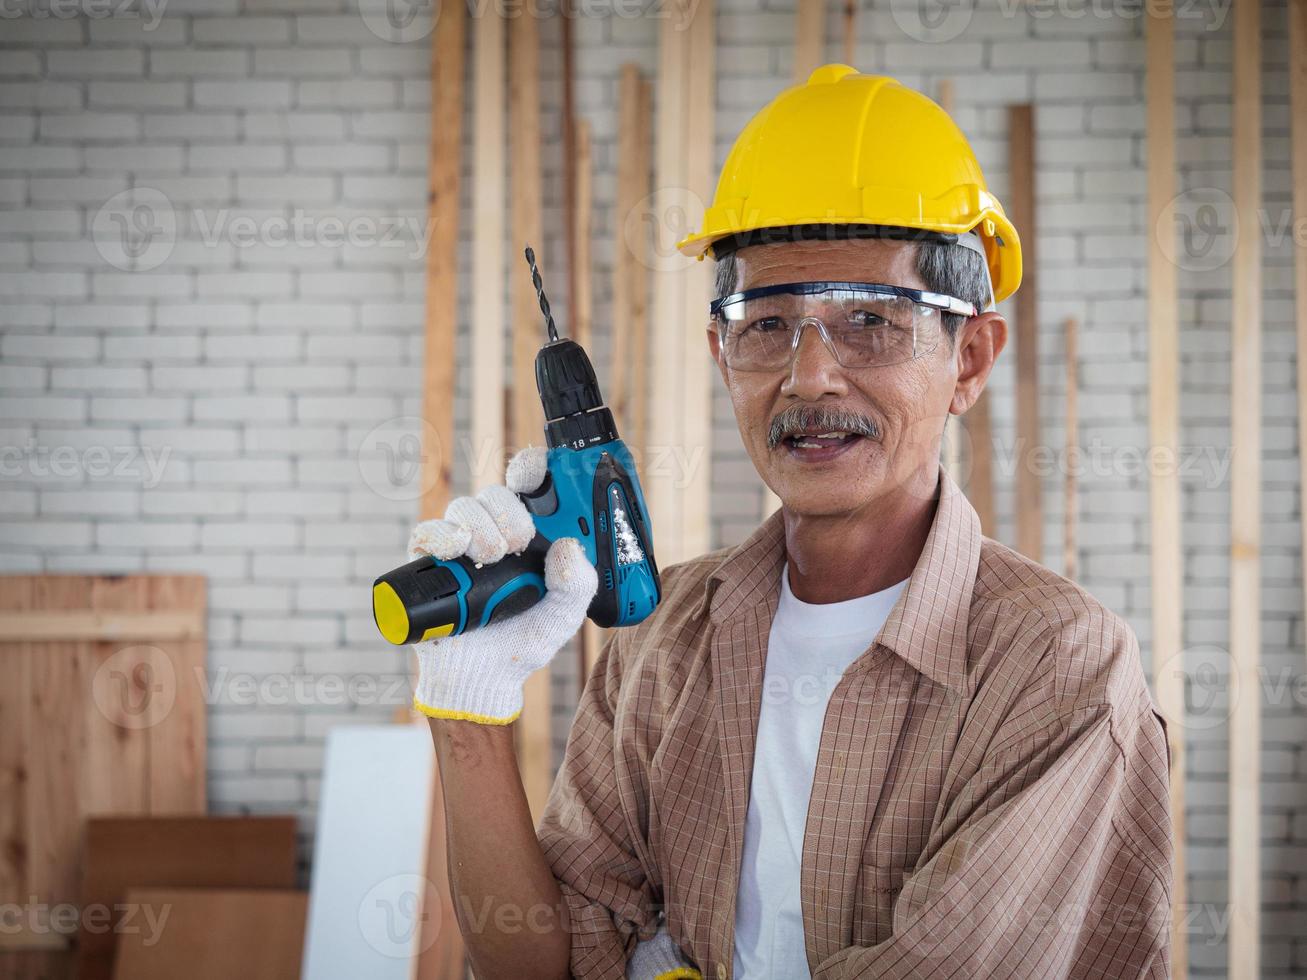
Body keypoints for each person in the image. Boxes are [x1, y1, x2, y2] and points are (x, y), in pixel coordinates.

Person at [409, 65, 1174, 980]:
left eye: (870, 321)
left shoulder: (1054, 665)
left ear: (968, 358)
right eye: (764, 323)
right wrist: (468, 711)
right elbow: (541, 966)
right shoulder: (665, 636)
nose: (808, 377)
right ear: (720, 352)